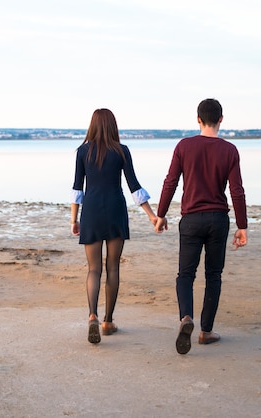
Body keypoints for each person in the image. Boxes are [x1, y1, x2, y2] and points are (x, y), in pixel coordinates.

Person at [155, 98, 248, 355]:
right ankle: (206, 331)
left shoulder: (184, 146)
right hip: (218, 220)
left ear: (198, 119)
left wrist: (160, 214)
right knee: (213, 275)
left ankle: (186, 317)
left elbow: (170, 182)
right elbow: (237, 191)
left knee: (185, 274)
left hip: (192, 220)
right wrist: (242, 225)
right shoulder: (229, 150)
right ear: (221, 120)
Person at [71, 108, 157, 344]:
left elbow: (77, 188)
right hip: (116, 210)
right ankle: (108, 322)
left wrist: (74, 219)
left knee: (93, 269)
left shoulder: (82, 152)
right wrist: (151, 215)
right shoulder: (122, 151)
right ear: (113, 126)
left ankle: (92, 316)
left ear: (92, 125)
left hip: (91, 211)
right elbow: (134, 187)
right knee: (113, 268)